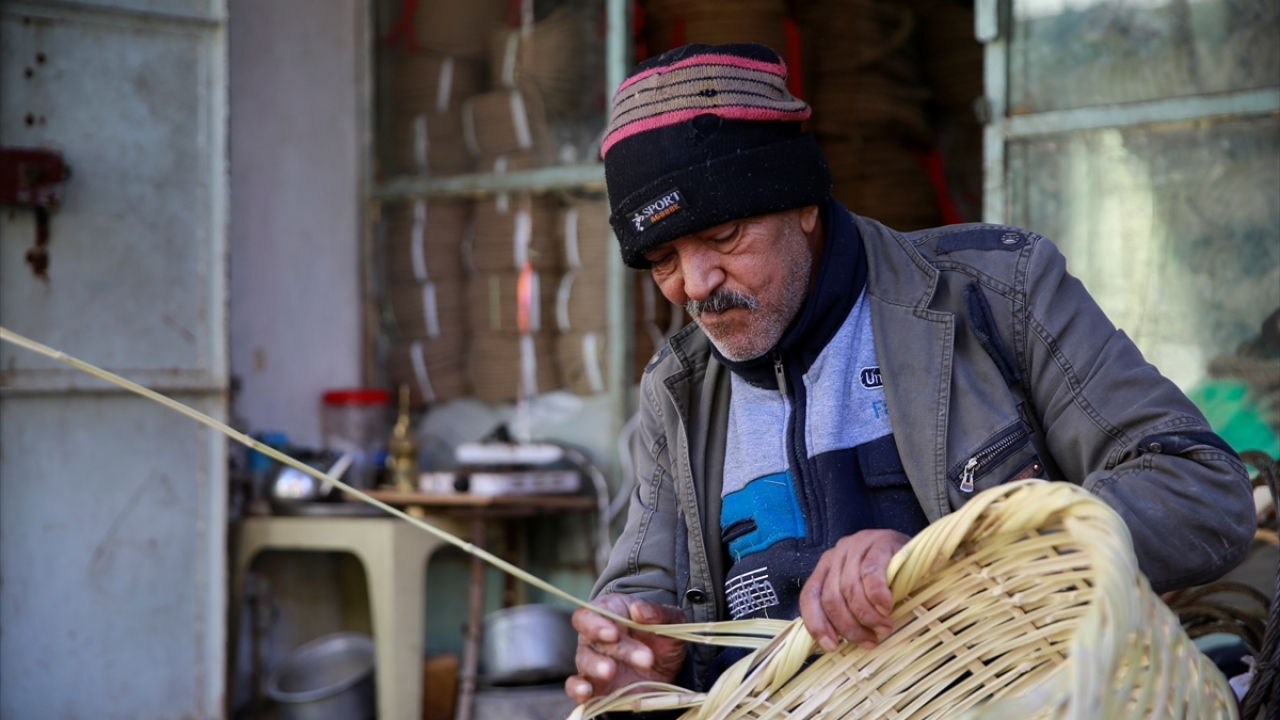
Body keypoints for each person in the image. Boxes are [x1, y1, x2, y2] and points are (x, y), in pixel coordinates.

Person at [565, 42, 1256, 704]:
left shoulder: (998, 291)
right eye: (662, 260)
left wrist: (956, 565)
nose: (695, 284)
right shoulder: (680, 389)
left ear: (804, 203)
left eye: (722, 238)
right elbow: (643, 591)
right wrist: (634, 655)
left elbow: (1199, 489)